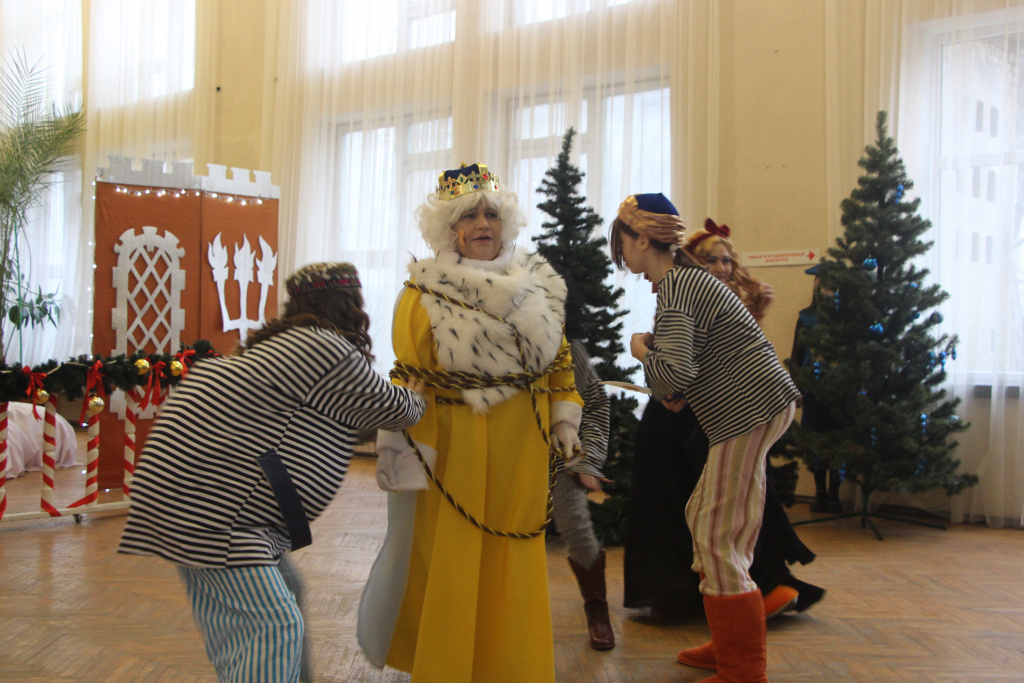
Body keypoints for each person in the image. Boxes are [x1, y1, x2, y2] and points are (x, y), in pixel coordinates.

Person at [118, 262, 427, 683]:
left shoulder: (281, 343)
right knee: (271, 627)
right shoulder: (324, 348)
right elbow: (394, 409)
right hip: (217, 513)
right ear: (349, 305)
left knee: (279, 598)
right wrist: (416, 393)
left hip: (189, 500)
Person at [357, 163, 583, 683]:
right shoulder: (423, 292)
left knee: (512, 556)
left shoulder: (535, 285)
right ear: (449, 227)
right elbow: (408, 379)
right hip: (455, 449)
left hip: (521, 449)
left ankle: (514, 668)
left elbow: (559, 359)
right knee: (454, 556)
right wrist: (401, 450)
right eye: (468, 216)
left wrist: (565, 417)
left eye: (491, 214)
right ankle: (449, 667)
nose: (483, 224)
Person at [611, 193, 801, 682]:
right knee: (713, 521)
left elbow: (671, 375)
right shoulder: (686, 282)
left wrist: (640, 349)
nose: (622, 254)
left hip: (746, 411)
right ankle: (729, 644)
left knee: (716, 534)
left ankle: (742, 668)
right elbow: (686, 374)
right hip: (753, 408)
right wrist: (671, 379)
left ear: (643, 239)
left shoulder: (679, 285)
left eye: (623, 242)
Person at [554, 285, 614, 649]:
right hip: (510, 456)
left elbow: (595, 403)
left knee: (577, 528)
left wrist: (588, 458)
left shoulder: (569, 348)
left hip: (562, 455)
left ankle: (598, 613)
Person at [790, 263, 843, 513]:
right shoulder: (805, 318)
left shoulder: (846, 319)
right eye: (819, 283)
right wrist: (796, 388)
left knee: (838, 443)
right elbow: (797, 355)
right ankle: (820, 492)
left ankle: (835, 494)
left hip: (840, 392)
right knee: (816, 443)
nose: (823, 288)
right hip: (813, 389)